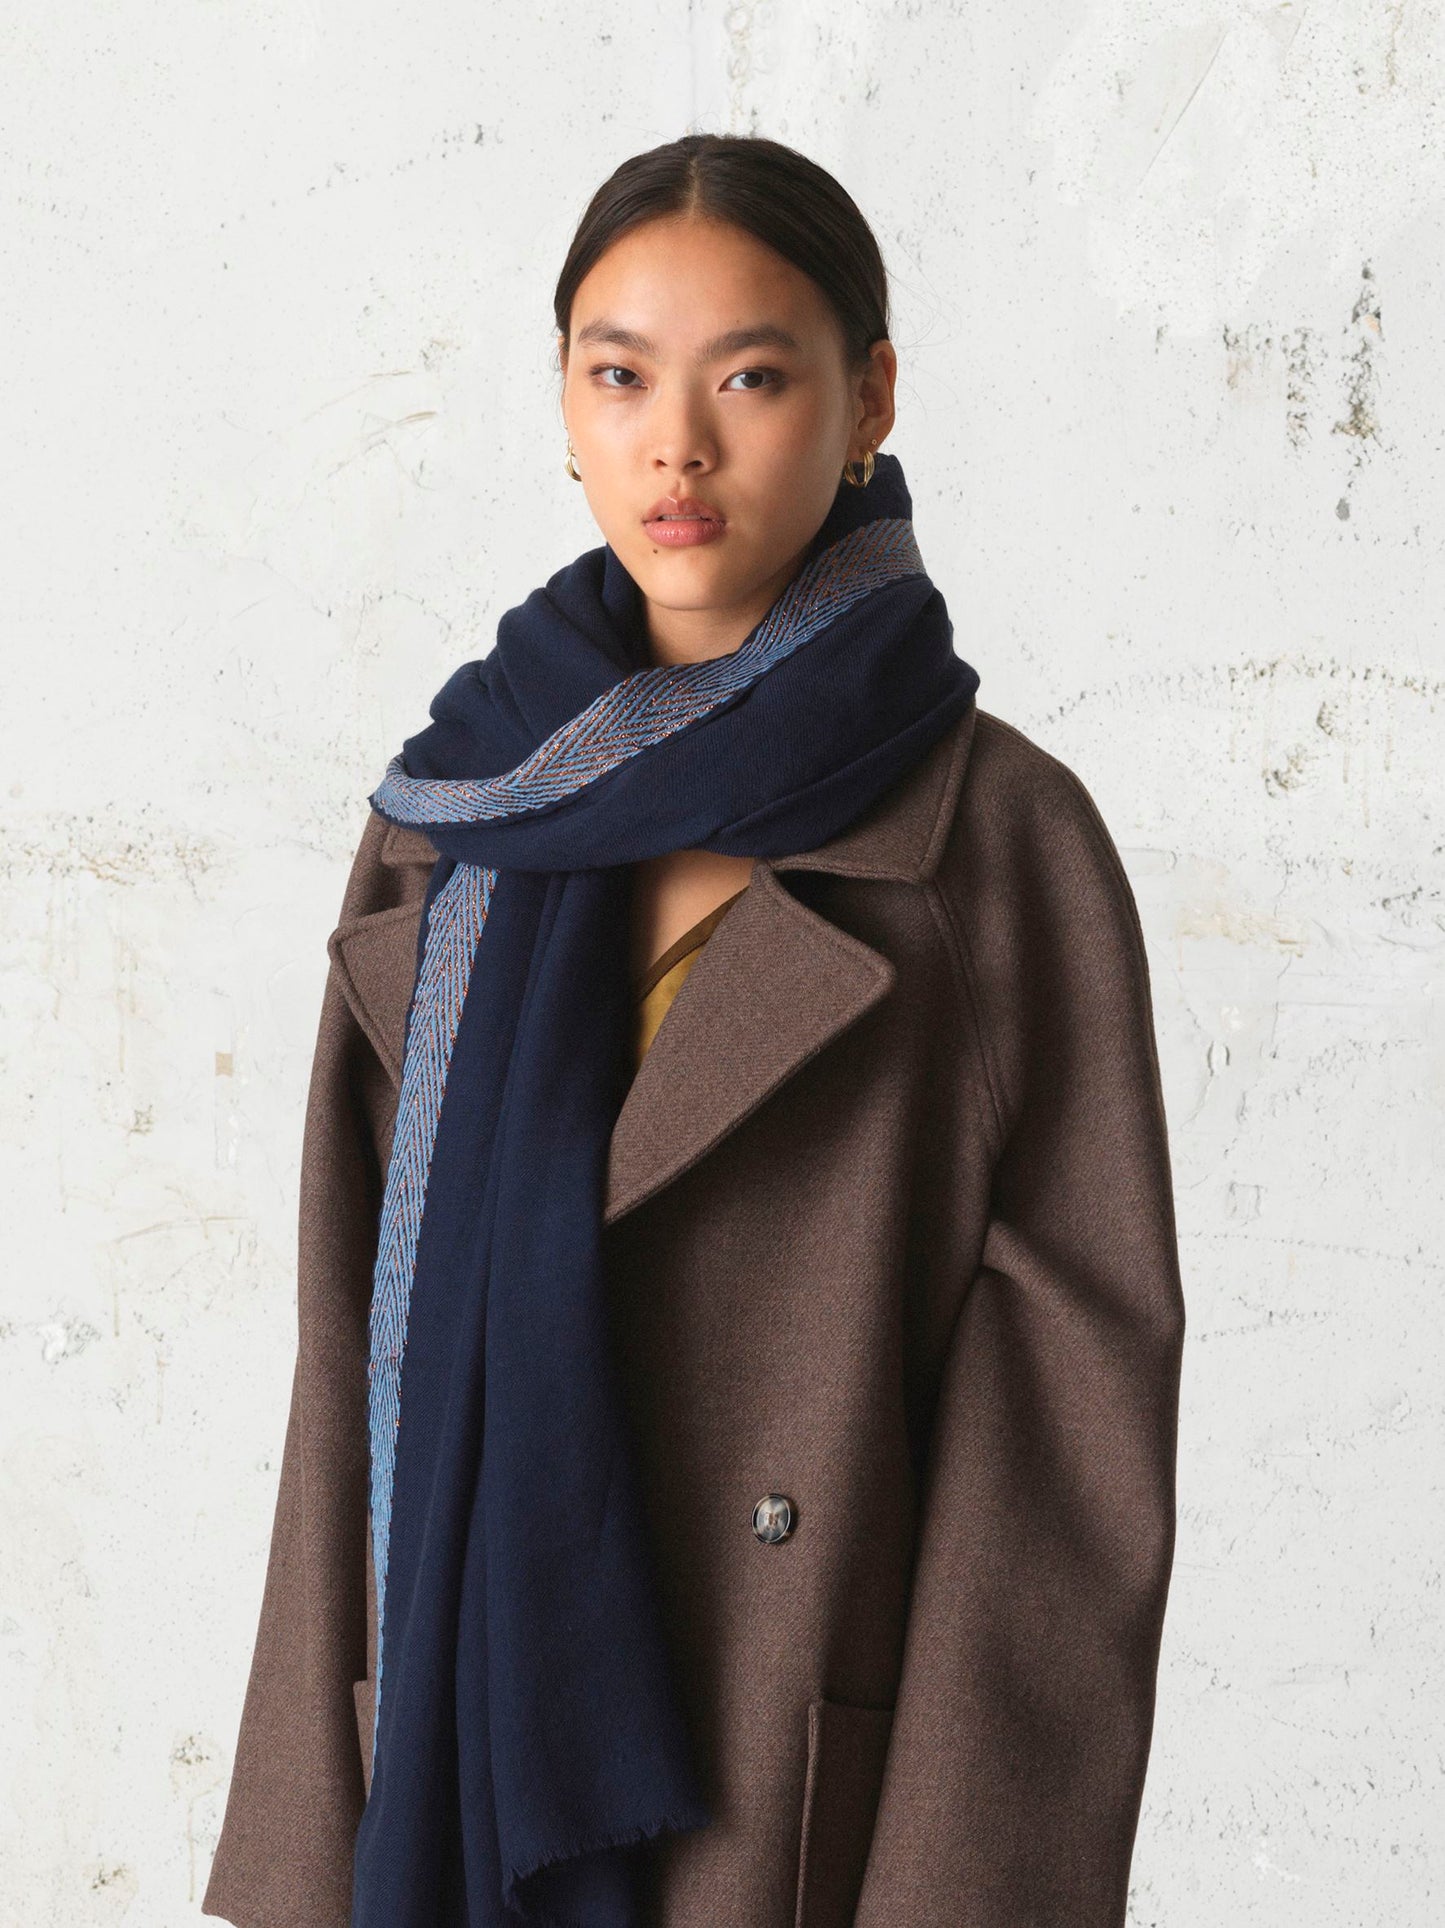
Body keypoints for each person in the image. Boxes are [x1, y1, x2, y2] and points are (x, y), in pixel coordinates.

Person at [202, 132, 1186, 1928]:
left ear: (868, 396)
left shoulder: (995, 842)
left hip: (793, 1806)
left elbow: (1064, 1472)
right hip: (444, 1767)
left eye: (748, 376)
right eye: (619, 376)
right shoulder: (453, 817)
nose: (675, 446)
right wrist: (296, 1861)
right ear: (563, 406)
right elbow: (345, 1374)